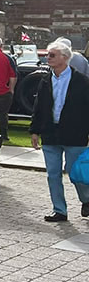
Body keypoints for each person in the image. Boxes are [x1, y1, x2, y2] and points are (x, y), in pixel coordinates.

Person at [30, 41, 89, 223]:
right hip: (51, 133)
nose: (48, 58)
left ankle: (87, 200)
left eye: (52, 55)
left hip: (74, 134)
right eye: (48, 55)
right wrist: (34, 131)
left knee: (75, 172)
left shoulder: (82, 81)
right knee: (53, 174)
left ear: (65, 57)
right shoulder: (45, 79)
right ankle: (59, 210)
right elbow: (39, 107)